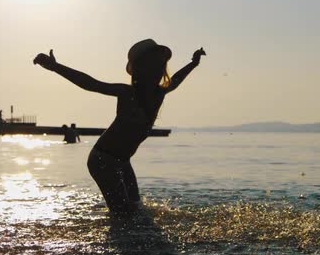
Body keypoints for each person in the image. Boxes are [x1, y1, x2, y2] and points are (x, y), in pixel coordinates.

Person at [33, 39, 205, 213]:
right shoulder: (126, 93)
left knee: (137, 209)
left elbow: (176, 79)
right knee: (122, 215)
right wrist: (56, 67)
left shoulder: (160, 93)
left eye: (161, 66)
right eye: (153, 66)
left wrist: (193, 63)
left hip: (123, 161)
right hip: (102, 160)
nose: (159, 70)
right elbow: (90, 84)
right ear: (140, 70)